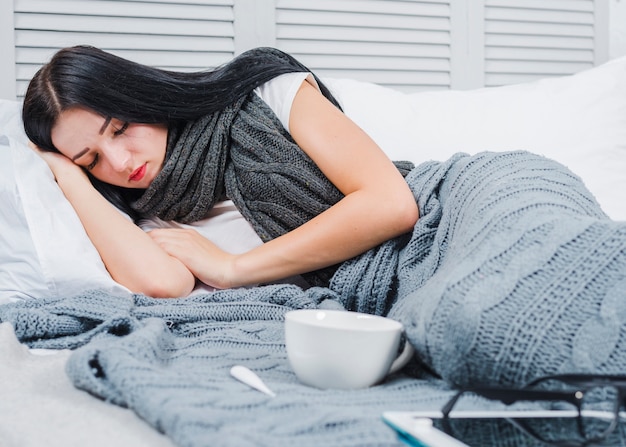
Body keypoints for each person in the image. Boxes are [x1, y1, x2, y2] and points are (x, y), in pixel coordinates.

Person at [22, 46, 419, 298]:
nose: (121, 163)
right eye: (91, 160)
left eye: (121, 129)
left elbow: (390, 203)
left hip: (443, 215)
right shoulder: (151, 217)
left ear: (139, 95)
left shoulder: (265, 94)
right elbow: (164, 284)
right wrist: (69, 176)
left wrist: (232, 269)